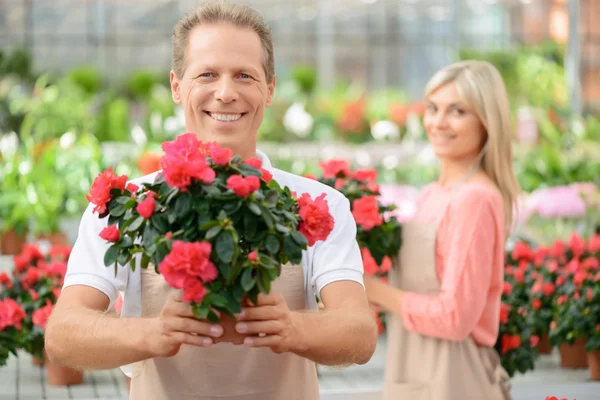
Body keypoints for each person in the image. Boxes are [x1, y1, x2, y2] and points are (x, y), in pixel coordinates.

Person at [45, 2, 378, 399]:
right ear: (176, 86)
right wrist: (155, 332)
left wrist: (290, 326)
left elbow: (359, 332)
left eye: (244, 75)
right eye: (207, 74)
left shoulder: (320, 205)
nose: (225, 93)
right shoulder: (128, 205)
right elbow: (63, 334)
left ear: (269, 88)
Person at [363, 61, 520, 400]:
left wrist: (373, 290)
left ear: (486, 121)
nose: (438, 122)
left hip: (454, 379)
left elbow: (455, 318)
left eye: (457, 111)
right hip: (416, 370)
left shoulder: (474, 200)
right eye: (433, 108)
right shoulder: (432, 194)